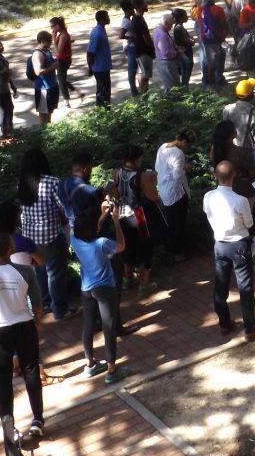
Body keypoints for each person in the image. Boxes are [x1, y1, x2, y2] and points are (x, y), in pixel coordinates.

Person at [0, 234, 45, 439]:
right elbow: (38, 303)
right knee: (31, 371)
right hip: (24, 325)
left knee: (3, 379)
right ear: (9, 250)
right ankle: (38, 420)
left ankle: (9, 426)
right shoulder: (25, 271)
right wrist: (37, 322)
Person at [203, 160, 255, 339]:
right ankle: (250, 327)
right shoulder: (240, 200)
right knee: (245, 286)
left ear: (216, 175)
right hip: (239, 244)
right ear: (234, 175)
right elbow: (249, 223)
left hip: (220, 245)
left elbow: (207, 215)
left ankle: (225, 323)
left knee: (220, 285)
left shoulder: (208, 196)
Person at [70, 197, 128, 383]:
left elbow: (88, 228)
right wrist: (116, 221)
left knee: (88, 326)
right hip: (105, 289)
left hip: (86, 289)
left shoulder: (74, 239)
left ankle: (90, 364)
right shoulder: (101, 243)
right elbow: (121, 246)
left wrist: (103, 215)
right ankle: (112, 371)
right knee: (108, 327)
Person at [16, 149, 74, 320]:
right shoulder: (52, 182)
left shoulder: (21, 183)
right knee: (56, 273)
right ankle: (60, 310)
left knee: (40, 271)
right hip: (51, 235)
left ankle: (46, 303)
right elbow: (64, 207)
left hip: (29, 237)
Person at [111, 144, 164, 293]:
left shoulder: (115, 173)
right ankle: (144, 284)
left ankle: (127, 280)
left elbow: (114, 194)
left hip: (122, 213)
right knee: (145, 247)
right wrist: (153, 180)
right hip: (139, 215)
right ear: (136, 159)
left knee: (127, 246)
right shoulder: (144, 176)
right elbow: (153, 196)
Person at [154, 130, 194, 261]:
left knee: (170, 221)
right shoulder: (178, 153)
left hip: (164, 189)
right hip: (177, 193)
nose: (186, 147)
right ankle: (177, 252)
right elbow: (177, 176)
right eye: (187, 145)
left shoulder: (163, 147)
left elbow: (157, 167)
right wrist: (186, 168)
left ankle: (169, 250)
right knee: (179, 223)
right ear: (183, 141)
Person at [49, 17, 82, 108]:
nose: (51, 28)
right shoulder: (62, 34)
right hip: (63, 59)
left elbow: (58, 51)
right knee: (61, 79)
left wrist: (53, 39)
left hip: (63, 60)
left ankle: (67, 102)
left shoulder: (63, 35)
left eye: (52, 26)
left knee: (61, 81)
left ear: (58, 25)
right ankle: (79, 93)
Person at [30, 31, 58, 125]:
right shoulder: (37, 54)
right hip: (43, 89)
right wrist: (54, 66)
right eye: (49, 41)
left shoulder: (47, 51)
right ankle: (44, 134)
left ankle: (49, 133)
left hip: (52, 86)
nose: (50, 43)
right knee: (43, 114)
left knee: (49, 112)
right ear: (42, 41)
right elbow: (38, 72)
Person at [86, 10, 113, 107]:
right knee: (103, 93)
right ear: (102, 19)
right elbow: (90, 52)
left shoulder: (101, 29)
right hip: (100, 69)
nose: (109, 18)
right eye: (107, 16)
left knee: (104, 92)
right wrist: (90, 68)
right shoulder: (97, 33)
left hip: (104, 67)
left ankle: (104, 112)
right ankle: (103, 114)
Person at [153, 13, 180, 89]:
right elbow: (166, 53)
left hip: (163, 62)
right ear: (165, 23)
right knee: (172, 86)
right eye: (171, 24)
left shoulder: (158, 29)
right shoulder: (162, 34)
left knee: (169, 85)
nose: (171, 27)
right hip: (166, 63)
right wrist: (177, 53)